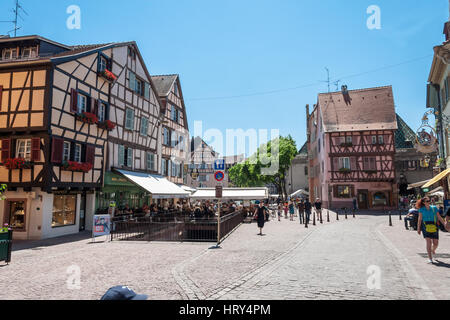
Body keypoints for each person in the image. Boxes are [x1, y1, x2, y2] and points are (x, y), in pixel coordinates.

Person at [416, 197, 449, 264]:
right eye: (427, 201)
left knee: (436, 243)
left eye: (429, 201)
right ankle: (430, 258)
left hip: (434, 225)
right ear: (424, 202)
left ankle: (433, 250)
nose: (429, 202)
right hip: (425, 226)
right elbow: (419, 219)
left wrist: (444, 224)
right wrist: (418, 228)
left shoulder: (434, 208)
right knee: (429, 242)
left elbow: (439, 217)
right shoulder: (421, 209)